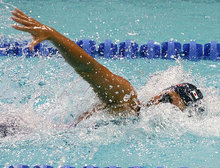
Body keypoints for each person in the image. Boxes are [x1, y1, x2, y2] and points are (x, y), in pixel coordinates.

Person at [11, 8, 203, 126]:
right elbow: (89, 69)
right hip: (17, 131)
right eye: (165, 97)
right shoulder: (126, 99)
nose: (159, 104)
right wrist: (52, 35)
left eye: (170, 105)